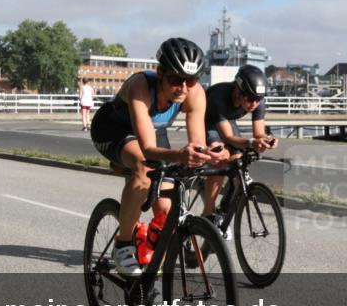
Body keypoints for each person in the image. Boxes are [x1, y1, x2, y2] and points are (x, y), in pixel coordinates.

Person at [90, 38, 228, 276]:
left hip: (152, 133)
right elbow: (148, 150)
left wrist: (209, 153)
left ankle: (148, 262)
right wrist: (181, 156)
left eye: (191, 80)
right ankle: (123, 245)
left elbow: (196, 143)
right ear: (161, 72)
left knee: (166, 213)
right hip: (113, 129)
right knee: (144, 169)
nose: (183, 88)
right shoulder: (140, 87)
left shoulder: (194, 94)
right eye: (176, 79)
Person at [201, 65, 277, 233]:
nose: (254, 104)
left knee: (238, 168)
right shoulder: (219, 98)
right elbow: (228, 138)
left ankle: (221, 213)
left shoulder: (257, 100)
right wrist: (250, 143)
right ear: (238, 91)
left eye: (258, 99)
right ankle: (208, 216)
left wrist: (267, 140)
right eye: (250, 99)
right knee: (220, 160)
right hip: (208, 120)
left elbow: (258, 133)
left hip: (227, 120)